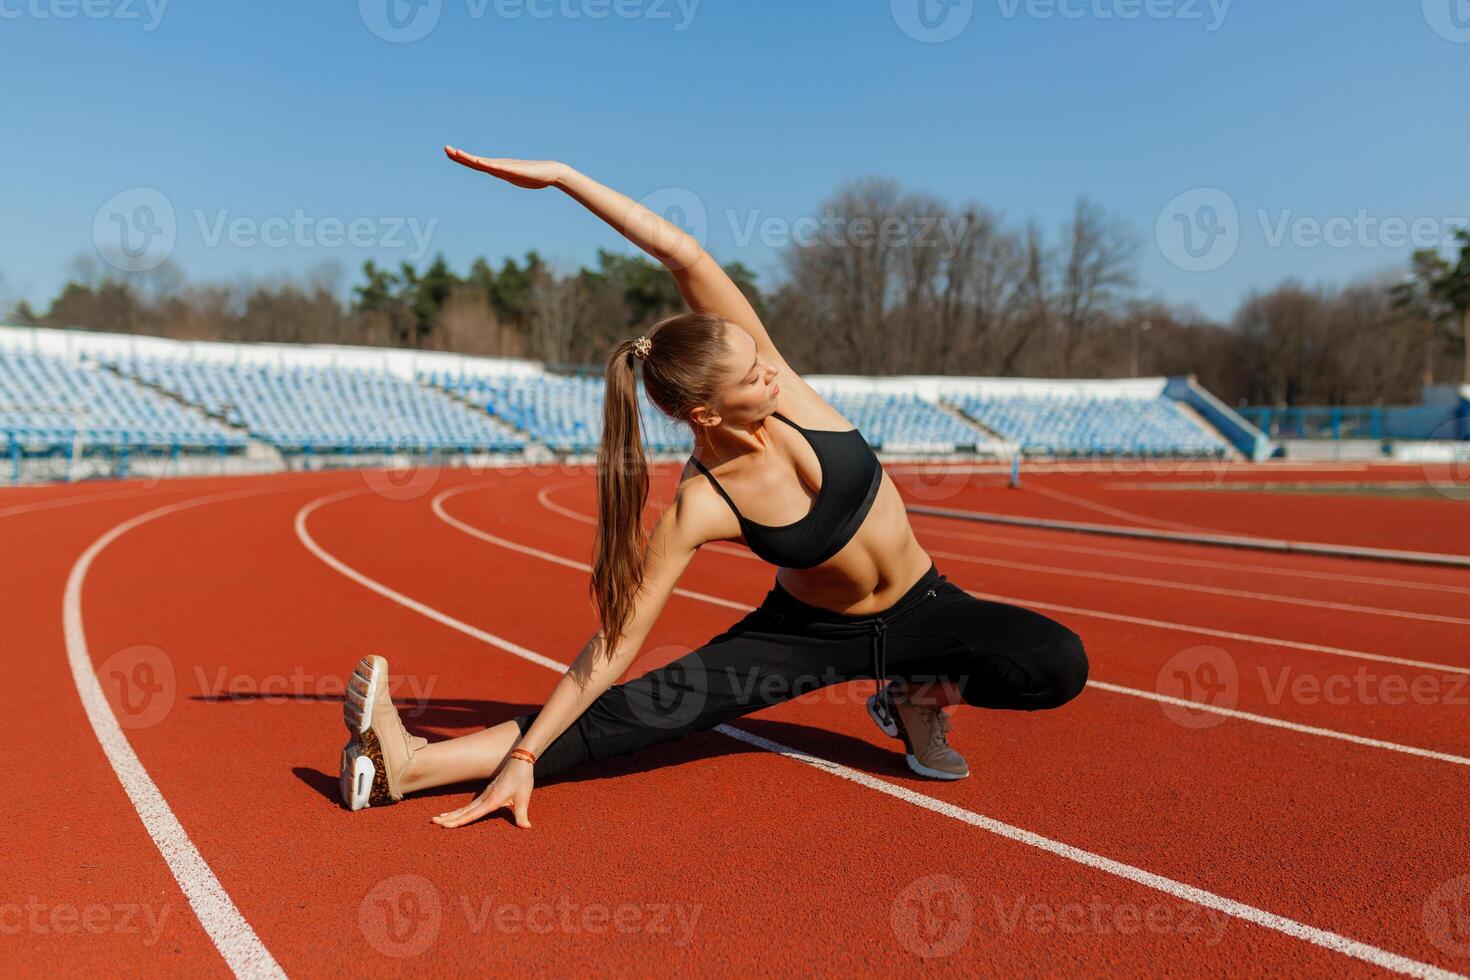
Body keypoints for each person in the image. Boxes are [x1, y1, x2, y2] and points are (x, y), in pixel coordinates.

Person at [336, 149, 1088, 828]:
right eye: (754, 374)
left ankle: (917, 695)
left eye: (763, 357)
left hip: (925, 607)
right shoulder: (703, 504)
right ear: (705, 411)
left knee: (1057, 663)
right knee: (637, 716)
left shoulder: (784, 388)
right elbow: (612, 649)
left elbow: (678, 250)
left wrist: (564, 178)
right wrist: (526, 759)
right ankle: (408, 765)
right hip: (804, 637)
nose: (772, 369)